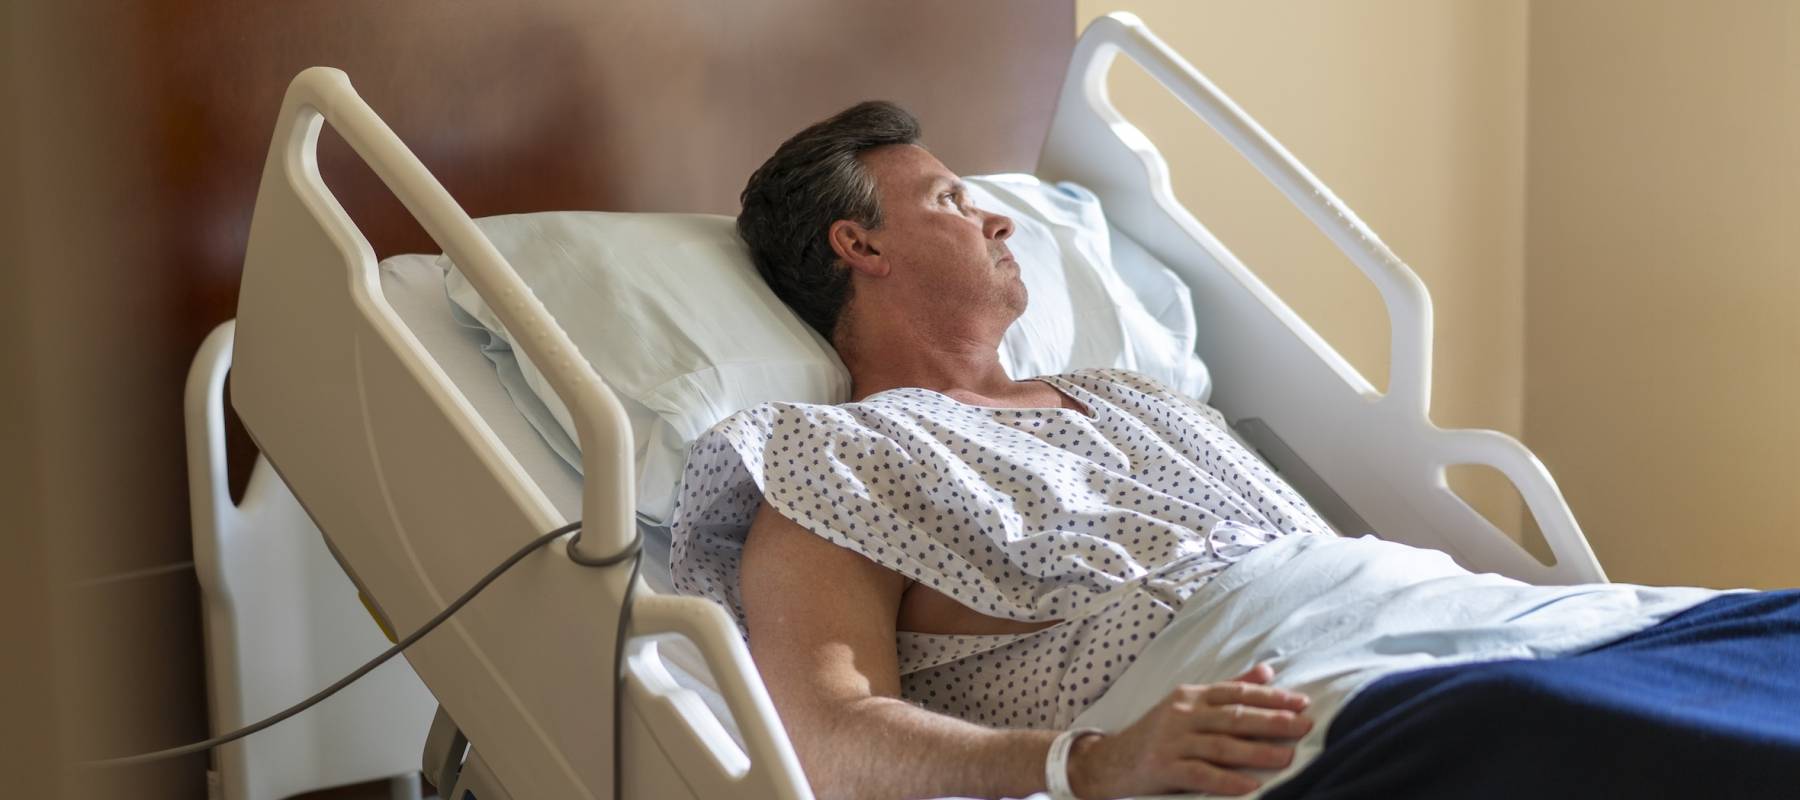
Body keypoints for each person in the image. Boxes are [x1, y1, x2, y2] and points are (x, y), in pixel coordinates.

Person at [667, 101, 1800, 800]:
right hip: (1329, 697)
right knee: (1583, 740)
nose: (1001, 217)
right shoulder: (830, 456)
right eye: (956, 200)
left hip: (1499, 625)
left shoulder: (1132, 392)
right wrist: (1084, 763)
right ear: (856, 241)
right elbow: (824, 742)